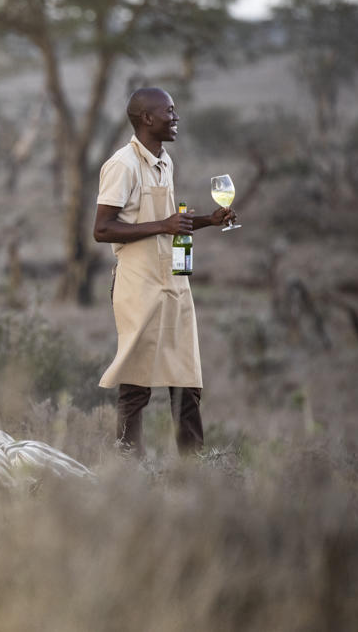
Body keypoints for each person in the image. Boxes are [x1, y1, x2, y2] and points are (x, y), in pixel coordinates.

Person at [92, 88, 236, 458]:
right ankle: (129, 472)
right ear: (146, 119)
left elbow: (172, 225)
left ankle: (194, 474)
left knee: (186, 380)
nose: (176, 118)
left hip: (174, 282)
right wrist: (163, 225)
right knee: (137, 383)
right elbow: (102, 229)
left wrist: (208, 220)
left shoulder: (164, 160)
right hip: (139, 285)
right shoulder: (122, 165)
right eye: (169, 111)